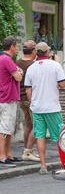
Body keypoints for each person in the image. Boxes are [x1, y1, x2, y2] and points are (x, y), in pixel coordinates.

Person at [24, 42, 65, 174]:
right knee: (60, 136)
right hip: (52, 107)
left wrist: (32, 103)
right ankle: (64, 164)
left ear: (36, 52)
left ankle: (43, 166)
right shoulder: (55, 66)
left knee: (40, 136)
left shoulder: (31, 68)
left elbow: (28, 90)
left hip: (37, 108)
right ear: (47, 52)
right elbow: (63, 84)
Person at [0, 37, 24, 168]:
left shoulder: (2, 58)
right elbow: (19, 76)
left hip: (4, 97)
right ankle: (2, 156)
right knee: (5, 128)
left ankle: (8, 154)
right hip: (7, 98)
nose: (17, 48)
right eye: (16, 46)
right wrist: (19, 71)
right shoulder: (7, 60)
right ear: (12, 46)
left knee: (7, 128)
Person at [16, 41, 40, 162]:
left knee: (28, 125)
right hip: (31, 99)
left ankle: (27, 150)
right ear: (34, 51)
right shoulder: (33, 65)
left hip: (20, 98)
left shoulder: (18, 62)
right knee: (37, 126)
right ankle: (28, 151)